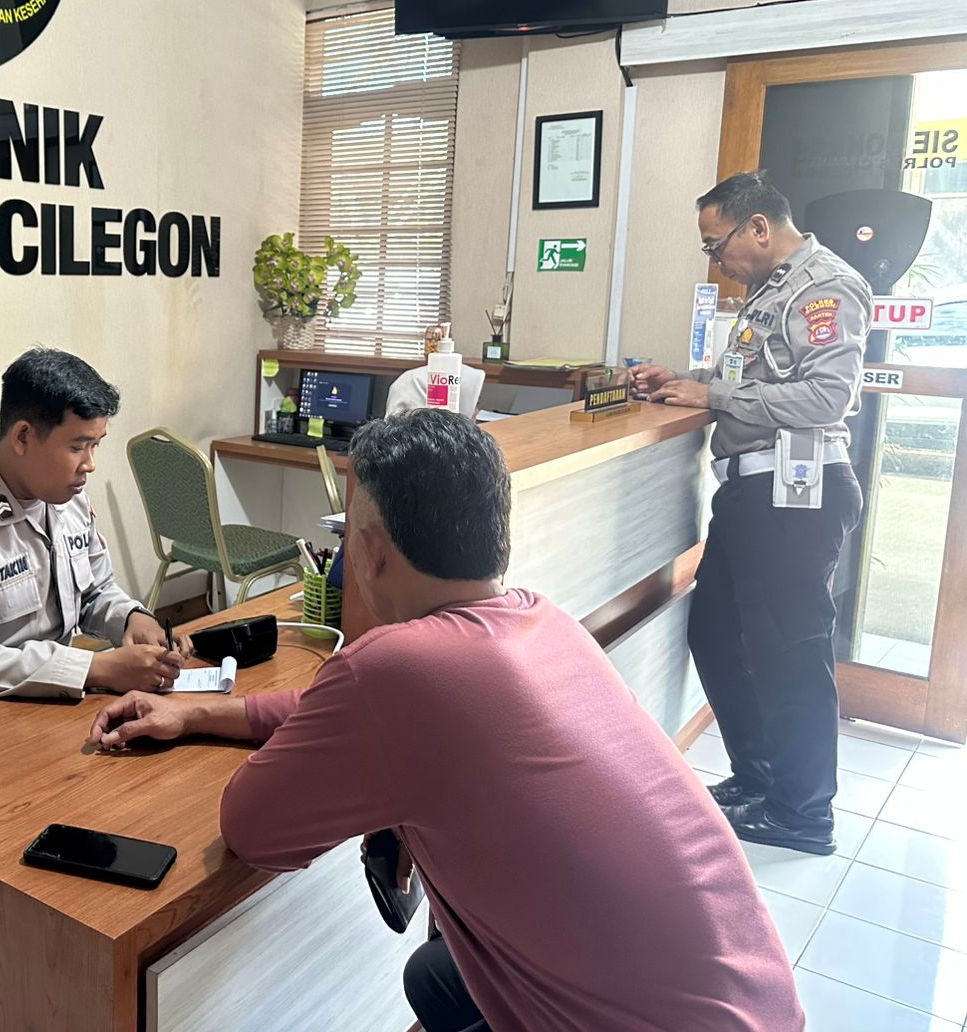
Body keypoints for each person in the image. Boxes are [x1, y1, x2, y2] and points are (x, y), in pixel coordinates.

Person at [88, 410, 802, 1032]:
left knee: (438, 976)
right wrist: (198, 712)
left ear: (369, 551)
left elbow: (252, 826)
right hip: (756, 1001)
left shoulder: (397, 668)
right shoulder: (539, 620)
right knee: (436, 976)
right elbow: (368, 717)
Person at [631, 172, 871, 856]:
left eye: (717, 245)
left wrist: (713, 399)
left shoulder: (825, 285)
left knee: (789, 655)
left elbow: (827, 398)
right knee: (718, 636)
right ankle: (760, 778)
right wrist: (689, 383)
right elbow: (752, 383)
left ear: (758, 226)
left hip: (795, 495)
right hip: (750, 492)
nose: (717, 260)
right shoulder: (768, 291)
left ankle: (804, 812)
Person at [0, 348, 191, 727]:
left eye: (95, 445)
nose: (90, 464)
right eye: (77, 447)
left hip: (43, 711)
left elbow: (95, 591)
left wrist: (131, 619)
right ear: (23, 437)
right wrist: (94, 668)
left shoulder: (68, 500)